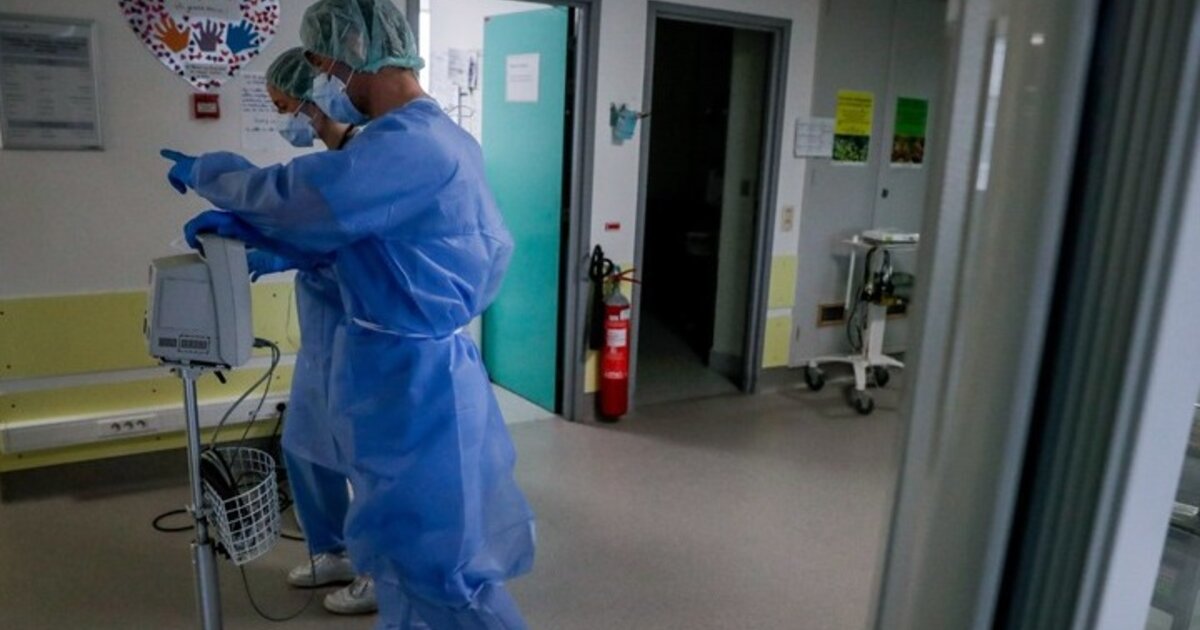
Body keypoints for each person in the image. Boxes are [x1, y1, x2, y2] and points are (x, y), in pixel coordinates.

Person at [162, 1, 535, 627]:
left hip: (414, 383)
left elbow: (307, 196)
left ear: (355, 52)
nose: (322, 83)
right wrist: (274, 246)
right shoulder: (430, 138)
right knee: (409, 561)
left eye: (320, 65)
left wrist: (213, 175)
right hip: (404, 371)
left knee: (441, 570)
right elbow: (370, 242)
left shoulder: (408, 146)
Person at [255, 46, 377, 616]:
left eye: (285, 107)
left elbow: (363, 248)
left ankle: (379, 570)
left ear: (314, 101)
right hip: (323, 338)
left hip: (366, 339)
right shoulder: (333, 161)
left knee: (364, 455)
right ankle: (333, 550)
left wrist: (294, 251)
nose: (284, 120)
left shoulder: (369, 160)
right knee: (304, 444)